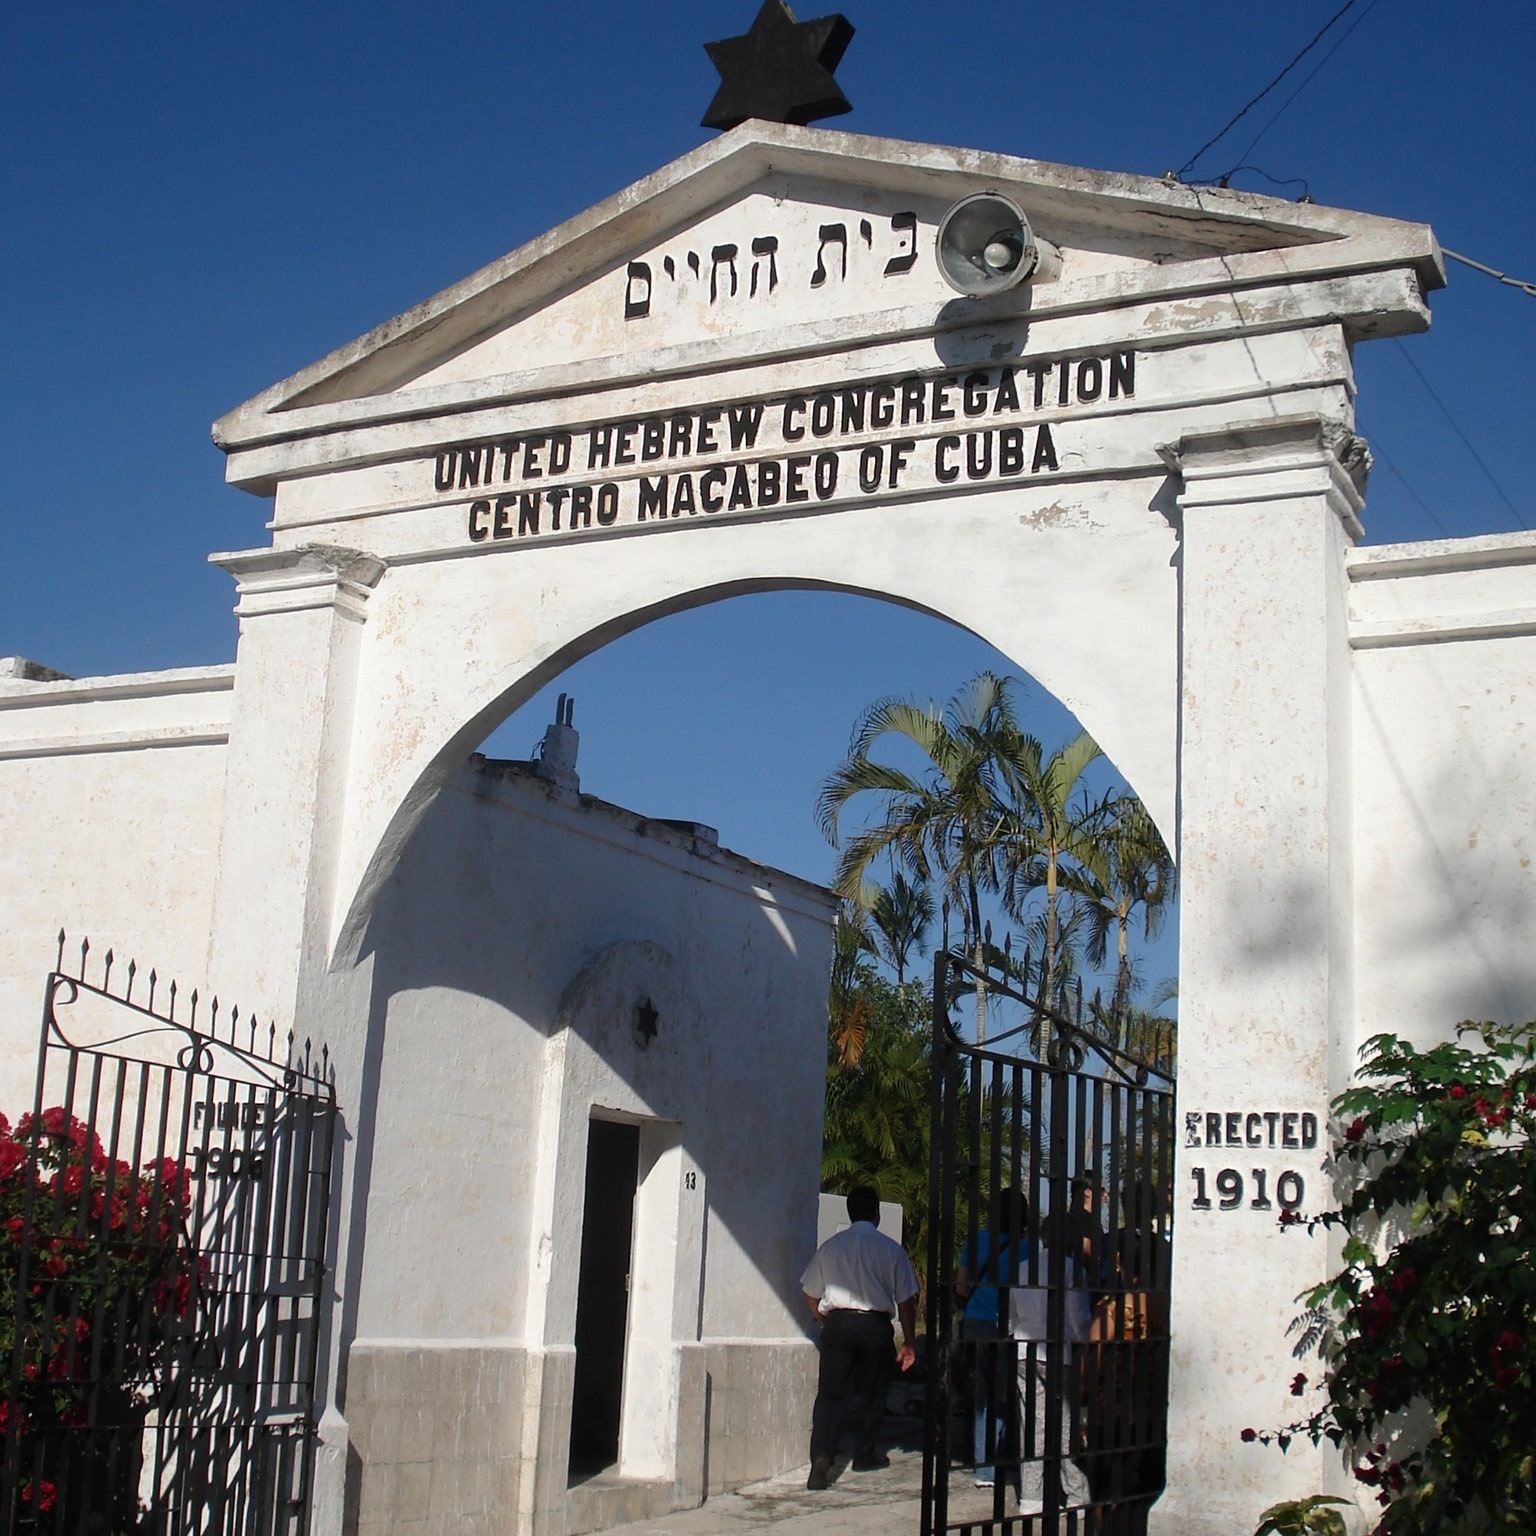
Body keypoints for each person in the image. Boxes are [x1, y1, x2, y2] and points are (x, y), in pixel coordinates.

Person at [800, 1185, 919, 1490]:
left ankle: (822, 1459)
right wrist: (909, 1341)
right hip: (875, 1327)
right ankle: (865, 1455)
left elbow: (809, 1291)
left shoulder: (831, 1247)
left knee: (830, 1396)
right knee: (872, 1394)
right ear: (877, 1213)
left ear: (849, 1213)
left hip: (838, 1323)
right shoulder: (891, 1249)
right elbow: (906, 1300)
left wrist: (822, 1318)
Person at [1009, 1211, 1092, 1515]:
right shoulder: (1072, 1270)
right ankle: (1075, 1493)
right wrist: (1086, 1339)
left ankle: (1031, 1496)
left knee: (1033, 1425)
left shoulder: (1023, 1268)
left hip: (1025, 1351)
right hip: (1062, 1353)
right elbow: (1077, 1315)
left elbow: (1012, 1313)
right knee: (1066, 1428)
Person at [954, 1187, 1025, 1486]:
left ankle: (983, 1467)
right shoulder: (1029, 1247)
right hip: (1011, 1325)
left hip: (977, 1323)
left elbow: (960, 1285)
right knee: (1010, 1394)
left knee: (983, 1394)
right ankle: (1006, 1460)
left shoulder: (977, 1240)